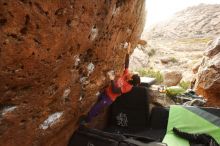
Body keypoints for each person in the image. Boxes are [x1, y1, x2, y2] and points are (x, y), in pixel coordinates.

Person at [81, 42, 133, 124]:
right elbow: (126, 64)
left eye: (132, 76)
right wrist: (128, 51)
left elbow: (115, 90)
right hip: (106, 92)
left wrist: (112, 79)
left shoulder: (128, 87)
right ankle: (90, 117)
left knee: (96, 108)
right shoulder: (127, 75)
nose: (131, 74)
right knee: (97, 106)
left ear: (131, 81)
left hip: (109, 98)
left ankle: (86, 121)